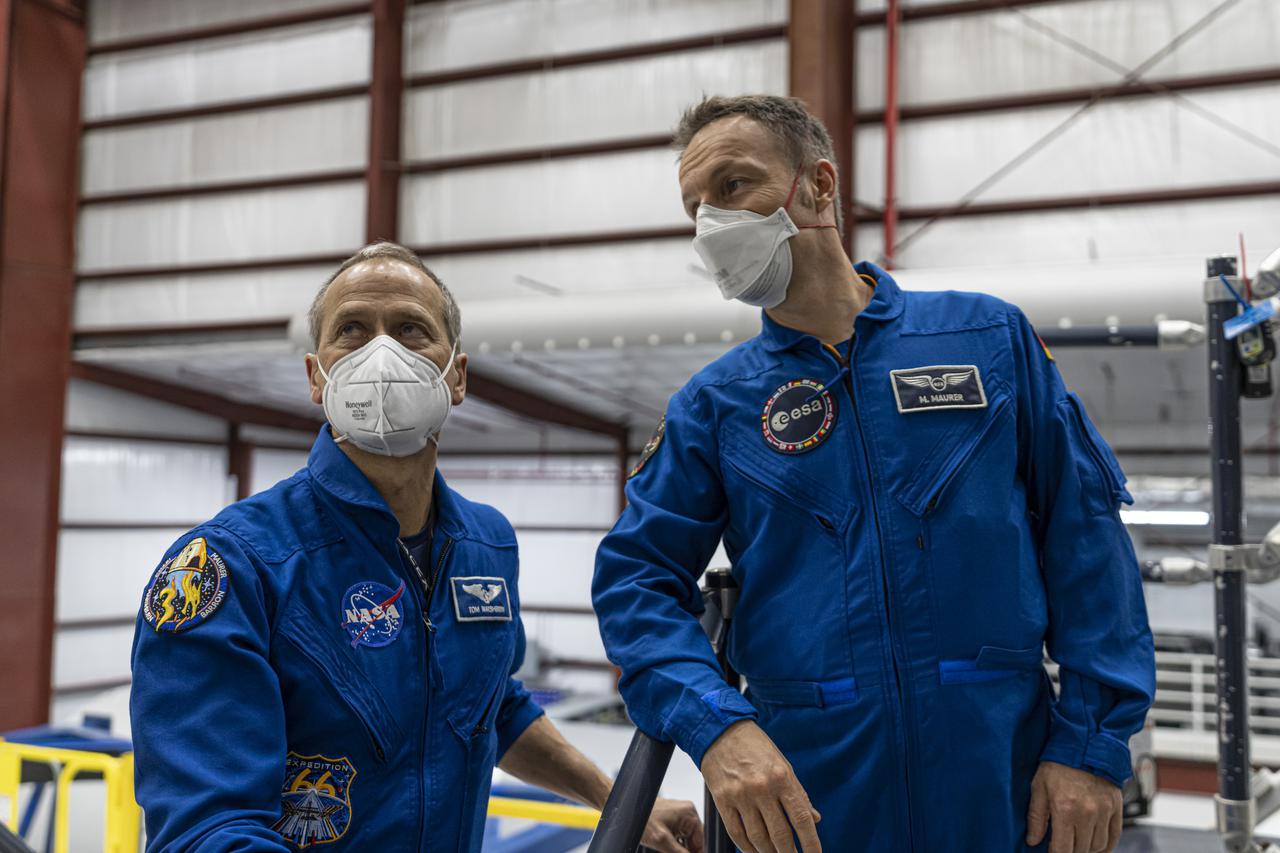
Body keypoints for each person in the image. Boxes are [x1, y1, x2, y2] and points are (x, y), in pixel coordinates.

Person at [592, 95, 1156, 853]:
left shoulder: (987, 338)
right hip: (810, 803)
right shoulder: (714, 405)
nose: (711, 226)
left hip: (1004, 783)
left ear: (819, 185)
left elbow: (1084, 537)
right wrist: (717, 726)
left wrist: (1089, 746)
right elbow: (635, 579)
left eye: (733, 187)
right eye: (694, 208)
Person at [130, 242, 702, 852]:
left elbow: (492, 708)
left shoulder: (486, 543)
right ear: (315, 377)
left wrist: (618, 801)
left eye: (411, 330)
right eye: (352, 330)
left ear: (455, 375)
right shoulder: (233, 567)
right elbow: (208, 831)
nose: (383, 353)